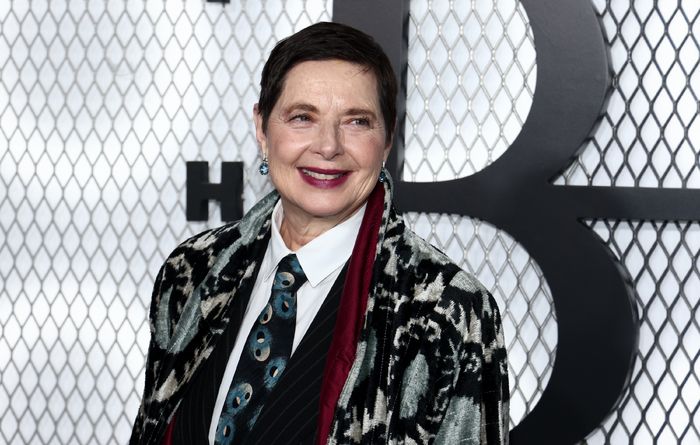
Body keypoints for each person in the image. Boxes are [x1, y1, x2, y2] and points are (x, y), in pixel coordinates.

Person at [130, 21, 509, 445]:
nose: (328, 146)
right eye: (302, 117)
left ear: (387, 140)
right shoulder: (192, 270)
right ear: (262, 129)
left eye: (357, 121)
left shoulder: (448, 309)